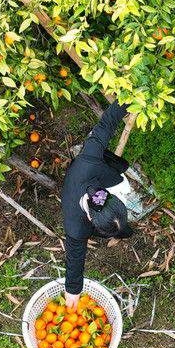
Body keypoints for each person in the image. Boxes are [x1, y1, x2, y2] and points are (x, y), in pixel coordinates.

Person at [61, 99, 145, 308]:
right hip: (89, 180)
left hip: (101, 171)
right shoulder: (76, 226)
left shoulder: (90, 157)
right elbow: (75, 257)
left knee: (121, 167)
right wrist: (73, 290)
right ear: (91, 221)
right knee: (118, 227)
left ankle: (120, 226)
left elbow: (107, 123)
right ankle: (121, 230)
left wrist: (129, 97)